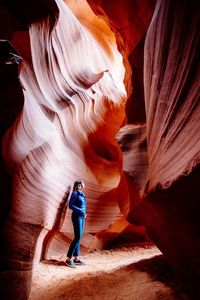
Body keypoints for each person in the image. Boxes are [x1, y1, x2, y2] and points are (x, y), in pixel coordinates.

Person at [65, 179, 86, 268]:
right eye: (79, 185)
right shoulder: (75, 194)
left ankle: (76, 259)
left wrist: (84, 213)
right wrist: (80, 211)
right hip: (76, 217)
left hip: (81, 217)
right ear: (76, 186)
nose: (80, 186)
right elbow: (70, 205)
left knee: (79, 237)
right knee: (77, 237)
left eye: (81, 185)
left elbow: (83, 205)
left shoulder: (82, 194)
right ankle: (68, 259)